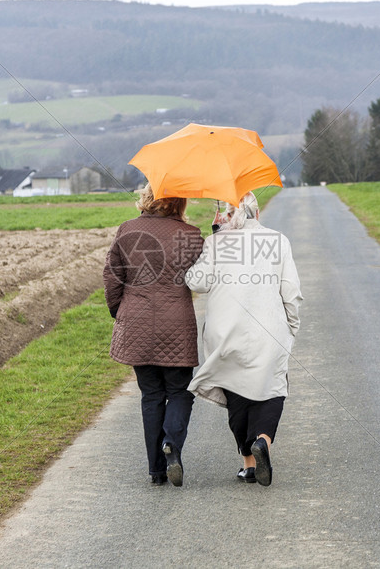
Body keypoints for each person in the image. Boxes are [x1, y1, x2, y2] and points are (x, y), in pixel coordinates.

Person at [185, 191, 302, 486]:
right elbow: (291, 291)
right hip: (270, 330)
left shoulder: (216, 242)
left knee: (236, 391)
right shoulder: (278, 241)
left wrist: (215, 235)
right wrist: (292, 326)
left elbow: (196, 282)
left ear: (227, 215)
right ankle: (262, 441)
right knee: (272, 387)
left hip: (226, 332)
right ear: (257, 214)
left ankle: (249, 466)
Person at [103, 183, 204, 487]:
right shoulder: (191, 236)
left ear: (147, 198)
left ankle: (156, 470)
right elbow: (203, 277)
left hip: (136, 322)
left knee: (151, 395)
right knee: (180, 391)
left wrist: (119, 311)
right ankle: (171, 443)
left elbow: (112, 276)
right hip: (177, 323)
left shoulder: (127, 230)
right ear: (180, 201)